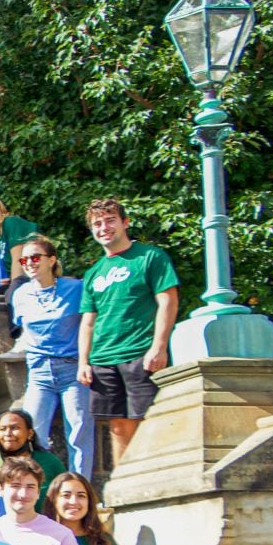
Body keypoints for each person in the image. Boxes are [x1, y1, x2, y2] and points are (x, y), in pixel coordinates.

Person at [76, 199, 180, 467]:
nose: (104, 228)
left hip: (140, 353)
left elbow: (167, 301)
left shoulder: (150, 257)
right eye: (97, 224)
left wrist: (159, 346)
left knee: (148, 421)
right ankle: (123, 487)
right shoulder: (93, 273)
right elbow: (88, 321)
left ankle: (152, 481)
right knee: (118, 427)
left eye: (110, 220)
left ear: (125, 222)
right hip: (103, 358)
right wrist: (83, 362)